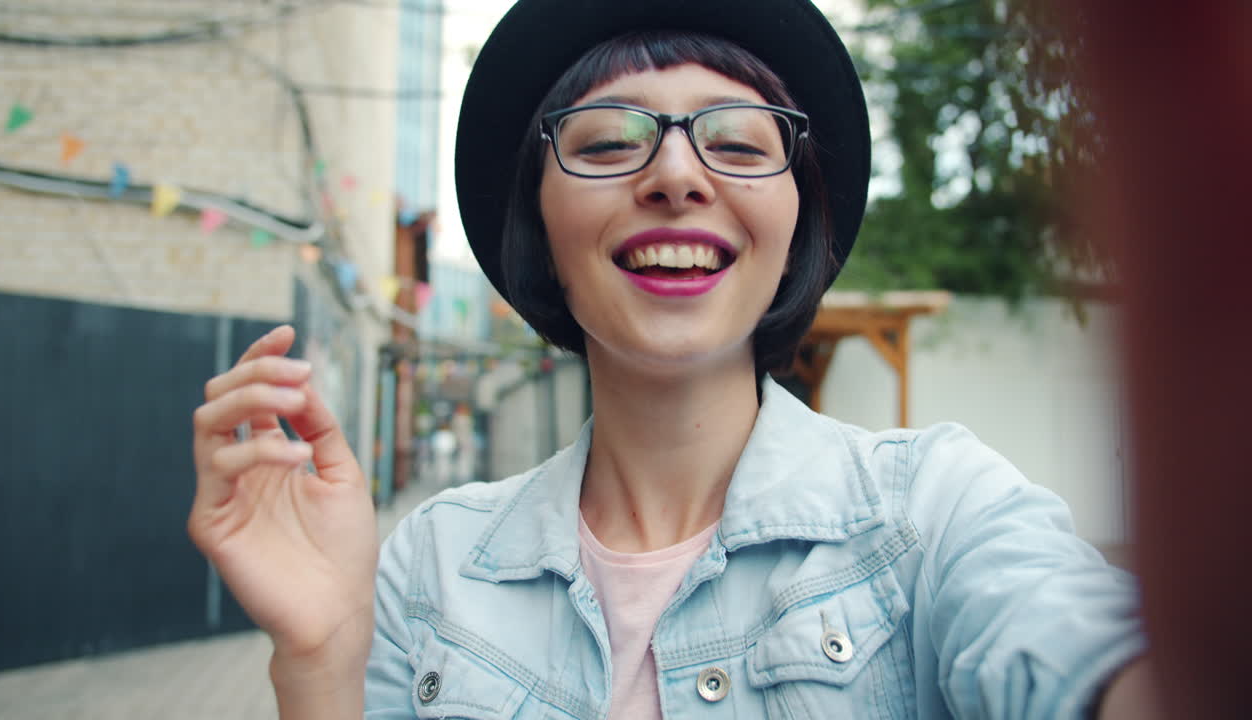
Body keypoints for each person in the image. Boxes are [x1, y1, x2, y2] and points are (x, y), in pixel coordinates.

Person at [189, 1, 1159, 717]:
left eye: (738, 143)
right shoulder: (428, 570)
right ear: (539, 225)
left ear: (795, 220)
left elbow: (1101, 664)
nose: (675, 176)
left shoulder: (934, 514)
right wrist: (316, 661)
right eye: (610, 141)